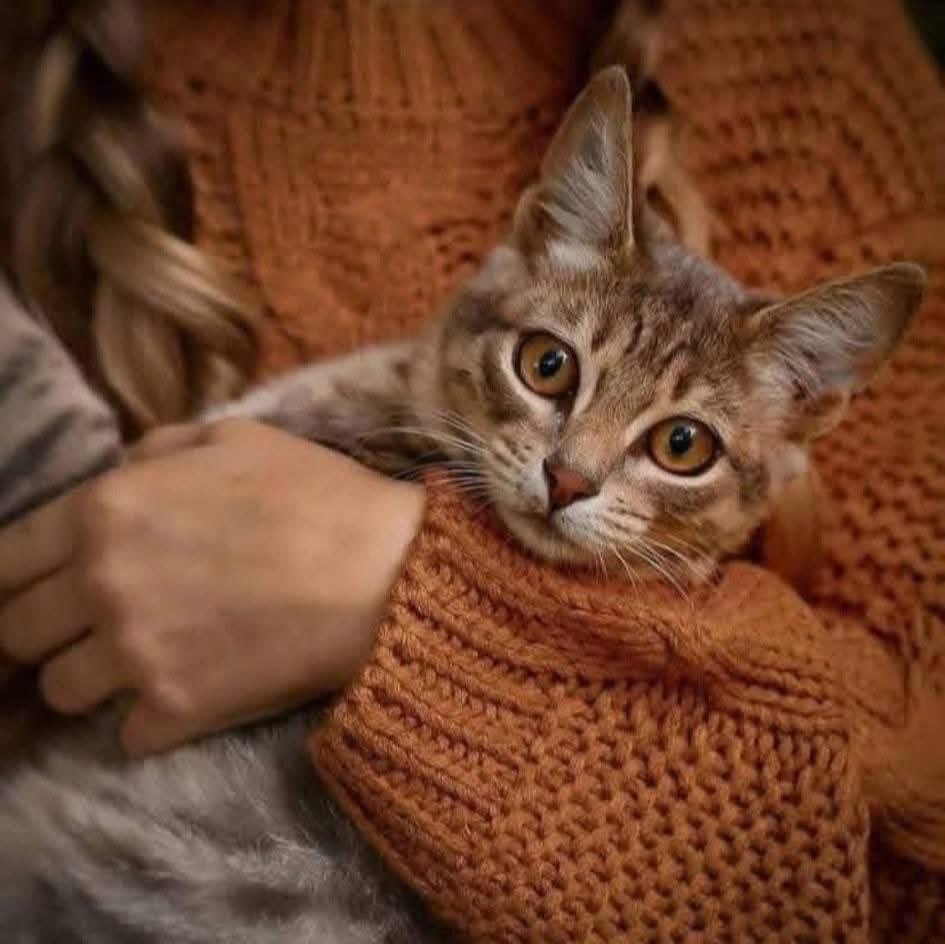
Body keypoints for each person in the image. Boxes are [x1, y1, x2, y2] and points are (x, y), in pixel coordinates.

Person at [0, 0, 943, 939]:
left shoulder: (818, 75)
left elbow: (909, 835)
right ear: (530, 244)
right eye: (551, 369)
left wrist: (410, 597)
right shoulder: (30, 67)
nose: (569, 471)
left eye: (678, 445)